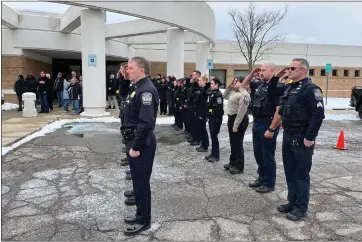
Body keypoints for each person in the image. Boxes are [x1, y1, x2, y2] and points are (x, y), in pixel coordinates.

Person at [277, 58, 325, 221]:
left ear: (303, 70)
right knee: (290, 172)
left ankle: (301, 207)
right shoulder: (289, 87)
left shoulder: (311, 89)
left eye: (292, 68)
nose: (288, 71)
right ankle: (293, 201)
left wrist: (310, 137)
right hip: (288, 135)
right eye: (288, 68)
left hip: (302, 137)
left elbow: (318, 115)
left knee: (301, 174)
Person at [121, 56, 159, 235]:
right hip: (134, 140)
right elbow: (124, 100)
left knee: (142, 184)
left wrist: (135, 147)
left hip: (141, 143)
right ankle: (139, 216)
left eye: (130, 68)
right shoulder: (136, 88)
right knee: (137, 182)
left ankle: (144, 221)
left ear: (141, 69)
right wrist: (123, 78)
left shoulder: (146, 91)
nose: (127, 70)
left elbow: (146, 123)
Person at [242, 63, 285, 193]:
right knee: (258, 153)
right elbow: (243, 86)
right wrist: (251, 74)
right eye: (260, 70)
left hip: (268, 123)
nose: (261, 72)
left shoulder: (278, 87)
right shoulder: (259, 85)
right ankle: (261, 177)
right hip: (257, 122)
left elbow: (279, 110)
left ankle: (269, 183)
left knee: (267, 154)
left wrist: (272, 128)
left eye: (263, 70)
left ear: (272, 71)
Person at [223, 77, 250, 174]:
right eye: (233, 81)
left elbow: (241, 111)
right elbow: (224, 96)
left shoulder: (244, 94)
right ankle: (232, 162)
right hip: (231, 118)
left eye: (236, 82)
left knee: (238, 143)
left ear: (242, 83)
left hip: (239, 119)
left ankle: (239, 166)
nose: (234, 83)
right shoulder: (234, 92)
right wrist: (229, 87)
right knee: (232, 142)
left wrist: (236, 125)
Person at [205, 77, 224, 162]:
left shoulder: (218, 94)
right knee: (212, 136)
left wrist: (214, 115)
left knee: (214, 137)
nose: (211, 85)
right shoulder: (212, 93)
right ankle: (213, 153)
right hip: (211, 117)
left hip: (216, 118)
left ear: (216, 85)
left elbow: (219, 108)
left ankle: (216, 155)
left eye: (212, 84)